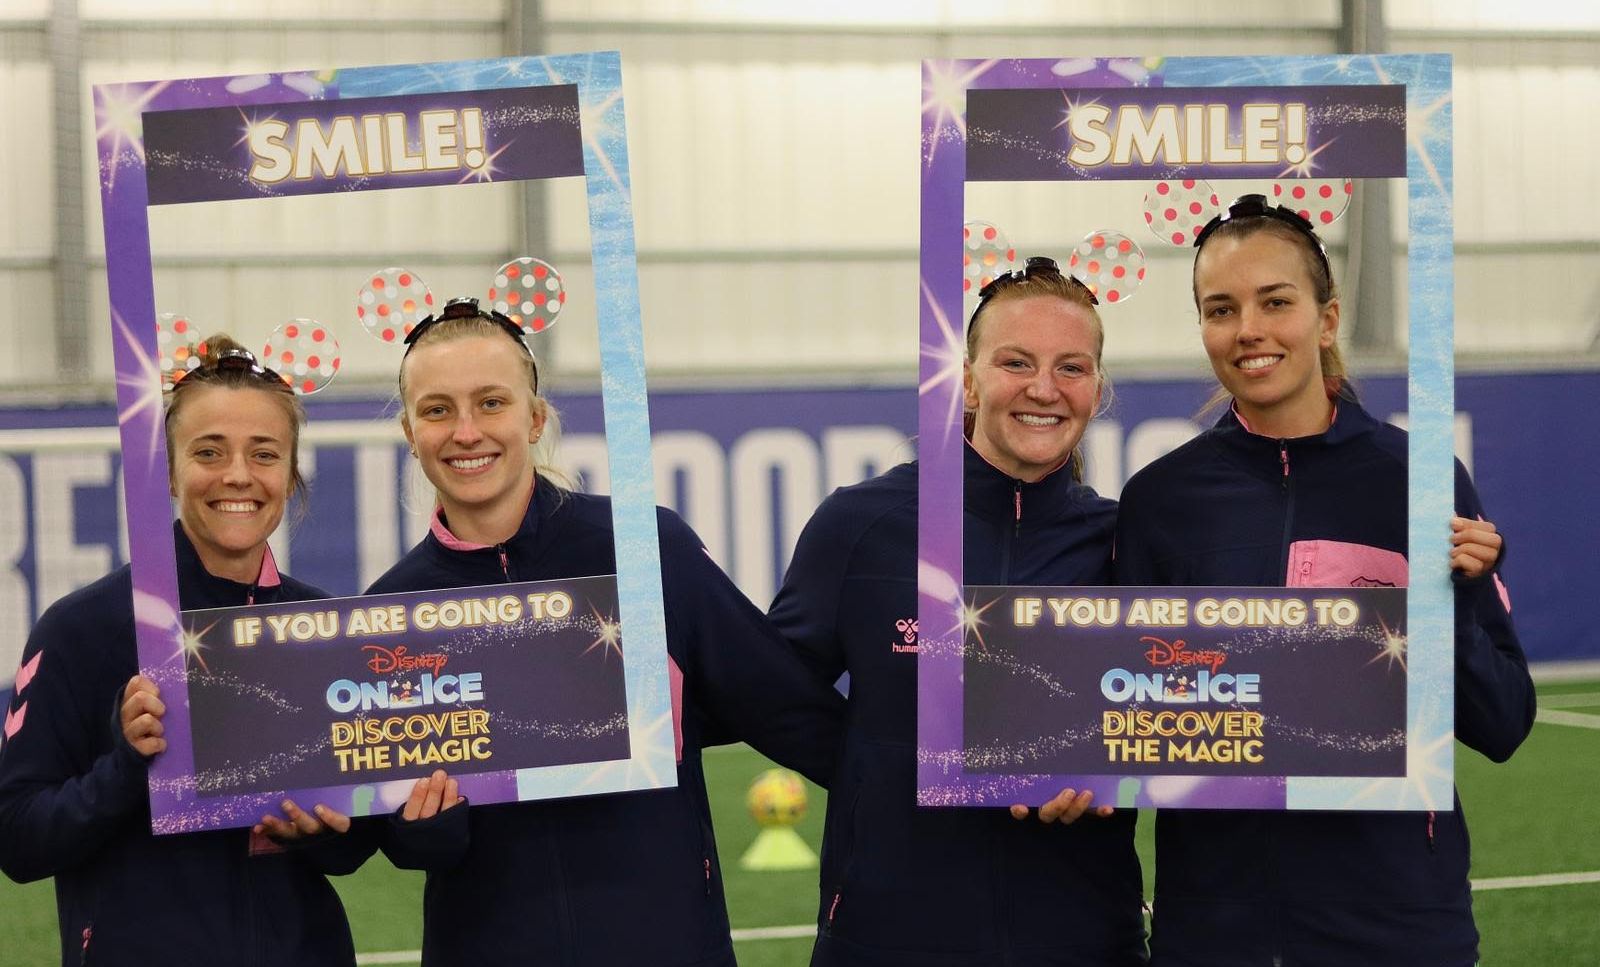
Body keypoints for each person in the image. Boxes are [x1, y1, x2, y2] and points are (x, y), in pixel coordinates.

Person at [1110, 195, 1534, 966]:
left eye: (1276, 301)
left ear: (1328, 318)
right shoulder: (1159, 501)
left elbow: (1502, 723)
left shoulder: (1423, 481)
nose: (1249, 330)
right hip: (1217, 930)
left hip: (1399, 921)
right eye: (1220, 308)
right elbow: (1124, 712)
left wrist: (1459, 598)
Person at [362, 297, 846, 966]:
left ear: (534, 418)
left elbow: (789, 711)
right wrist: (427, 824)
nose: (465, 430)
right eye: (437, 409)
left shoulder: (648, 553)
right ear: (410, 433)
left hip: (667, 940)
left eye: (491, 402)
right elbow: (411, 846)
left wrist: (939, 786)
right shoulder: (391, 615)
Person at [769, 258, 1148, 966]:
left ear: (1099, 389)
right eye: (1016, 361)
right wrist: (884, 767)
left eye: (1072, 366)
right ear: (967, 379)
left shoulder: (1128, 541)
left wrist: (1103, 772)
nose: (1044, 388)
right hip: (887, 934)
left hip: (1085, 933)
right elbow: (770, 692)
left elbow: (1176, 705)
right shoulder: (863, 524)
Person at [0, 336, 358, 967]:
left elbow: (353, 846)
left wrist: (319, 833)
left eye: (264, 453)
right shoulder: (82, 629)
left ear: (291, 472)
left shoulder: (322, 627)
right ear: (167, 469)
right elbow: (19, 839)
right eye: (208, 452)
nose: (238, 475)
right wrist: (126, 765)